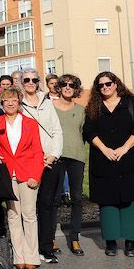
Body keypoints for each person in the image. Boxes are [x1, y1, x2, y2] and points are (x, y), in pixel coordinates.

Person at [83, 72, 134, 258]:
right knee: (107, 203)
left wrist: (125, 148)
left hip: (128, 159)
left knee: (129, 201)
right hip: (103, 160)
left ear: (115, 83)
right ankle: (110, 241)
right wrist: (104, 149)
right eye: (101, 85)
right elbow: (89, 131)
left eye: (108, 83)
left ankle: (129, 242)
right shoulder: (93, 107)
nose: (105, 87)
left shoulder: (130, 103)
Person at [0, 88, 45, 269]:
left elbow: (37, 151)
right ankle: (19, 256)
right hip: (7, 174)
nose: (10, 103)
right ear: (2, 103)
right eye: (6, 100)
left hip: (28, 172)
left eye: (13, 99)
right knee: (13, 215)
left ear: (19, 101)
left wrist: (36, 175)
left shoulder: (30, 123)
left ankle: (32, 256)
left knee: (29, 215)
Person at [19, 67, 64, 264]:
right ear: (21, 82)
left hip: (49, 162)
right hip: (28, 162)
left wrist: (53, 154)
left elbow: (57, 131)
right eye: (27, 79)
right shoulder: (17, 104)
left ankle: (46, 247)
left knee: (46, 205)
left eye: (34, 79)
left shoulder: (47, 103)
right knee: (28, 208)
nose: (30, 82)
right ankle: (29, 248)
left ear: (39, 82)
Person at [52, 75, 87, 256]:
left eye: (71, 85)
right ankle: (50, 238)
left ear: (76, 89)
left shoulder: (82, 110)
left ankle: (74, 238)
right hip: (56, 157)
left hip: (76, 157)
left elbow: (86, 134)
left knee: (77, 198)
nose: (67, 87)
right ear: (58, 87)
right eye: (64, 84)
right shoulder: (50, 108)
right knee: (54, 198)